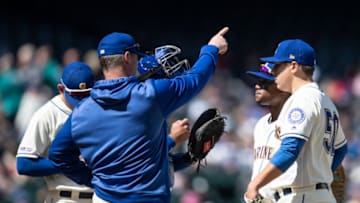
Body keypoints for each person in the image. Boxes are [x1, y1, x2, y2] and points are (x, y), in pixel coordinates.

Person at [48, 27, 229, 203]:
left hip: (104, 198)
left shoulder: (82, 110)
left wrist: (91, 179)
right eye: (136, 55)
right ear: (127, 57)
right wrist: (211, 48)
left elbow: (58, 154)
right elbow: (195, 79)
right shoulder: (150, 94)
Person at [245, 39, 348, 203]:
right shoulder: (326, 101)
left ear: (293, 66)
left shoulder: (303, 98)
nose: (274, 72)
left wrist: (255, 184)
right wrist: (321, 174)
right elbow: (341, 149)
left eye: (278, 66)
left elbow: (290, 149)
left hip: (301, 195)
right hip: (319, 194)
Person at [16, 61, 95, 203]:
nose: (82, 101)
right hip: (65, 197)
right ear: (61, 89)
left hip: (99, 196)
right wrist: (67, 163)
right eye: (77, 96)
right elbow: (24, 164)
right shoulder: (47, 114)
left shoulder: (99, 108)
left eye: (86, 94)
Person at [245, 62, 291, 202]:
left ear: (283, 89)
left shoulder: (294, 123)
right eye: (258, 81)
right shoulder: (260, 124)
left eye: (265, 83)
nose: (257, 86)